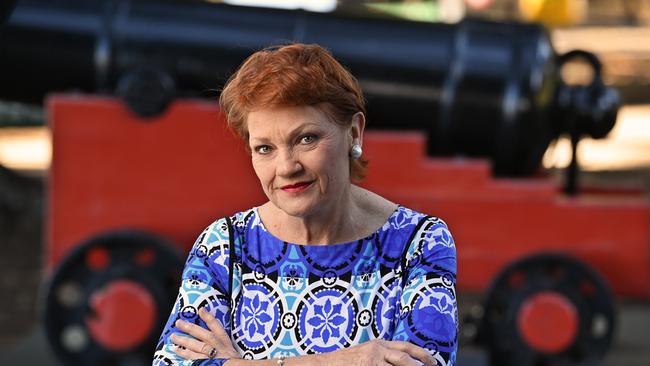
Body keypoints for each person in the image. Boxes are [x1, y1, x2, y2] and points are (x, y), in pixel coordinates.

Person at [152, 43, 457, 366]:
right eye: (265, 148)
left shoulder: (419, 242)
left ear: (354, 132)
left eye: (306, 138)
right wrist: (343, 361)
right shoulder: (223, 245)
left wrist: (235, 363)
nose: (286, 167)